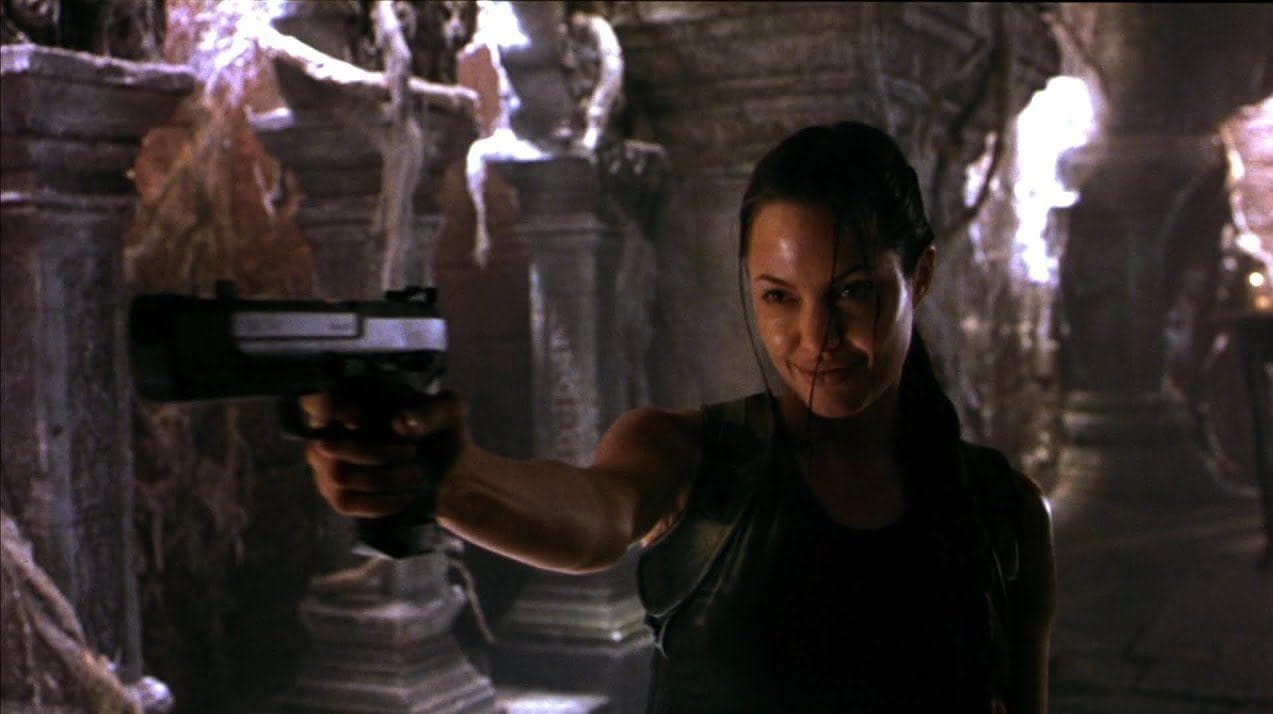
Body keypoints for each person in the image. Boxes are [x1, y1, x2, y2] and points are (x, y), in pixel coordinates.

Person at [302, 121, 1055, 713]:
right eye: (778, 296)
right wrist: (450, 480)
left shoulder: (1003, 514)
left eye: (851, 292)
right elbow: (593, 517)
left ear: (919, 275)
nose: (814, 337)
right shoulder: (693, 455)